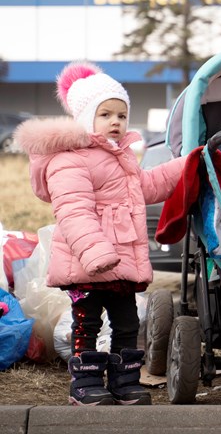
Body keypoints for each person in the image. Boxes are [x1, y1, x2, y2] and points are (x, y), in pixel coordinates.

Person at [13, 62, 185, 406]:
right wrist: (95, 253)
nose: (116, 122)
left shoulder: (120, 159)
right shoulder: (69, 160)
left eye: (122, 115)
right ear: (84, 118)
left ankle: (124, 381)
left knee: (125, 323)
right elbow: (73, 211)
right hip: (87, 263)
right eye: (105, 114)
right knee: (87, 323)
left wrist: (186, 165)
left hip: (120, 262)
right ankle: (85, 382)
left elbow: (146, 186)